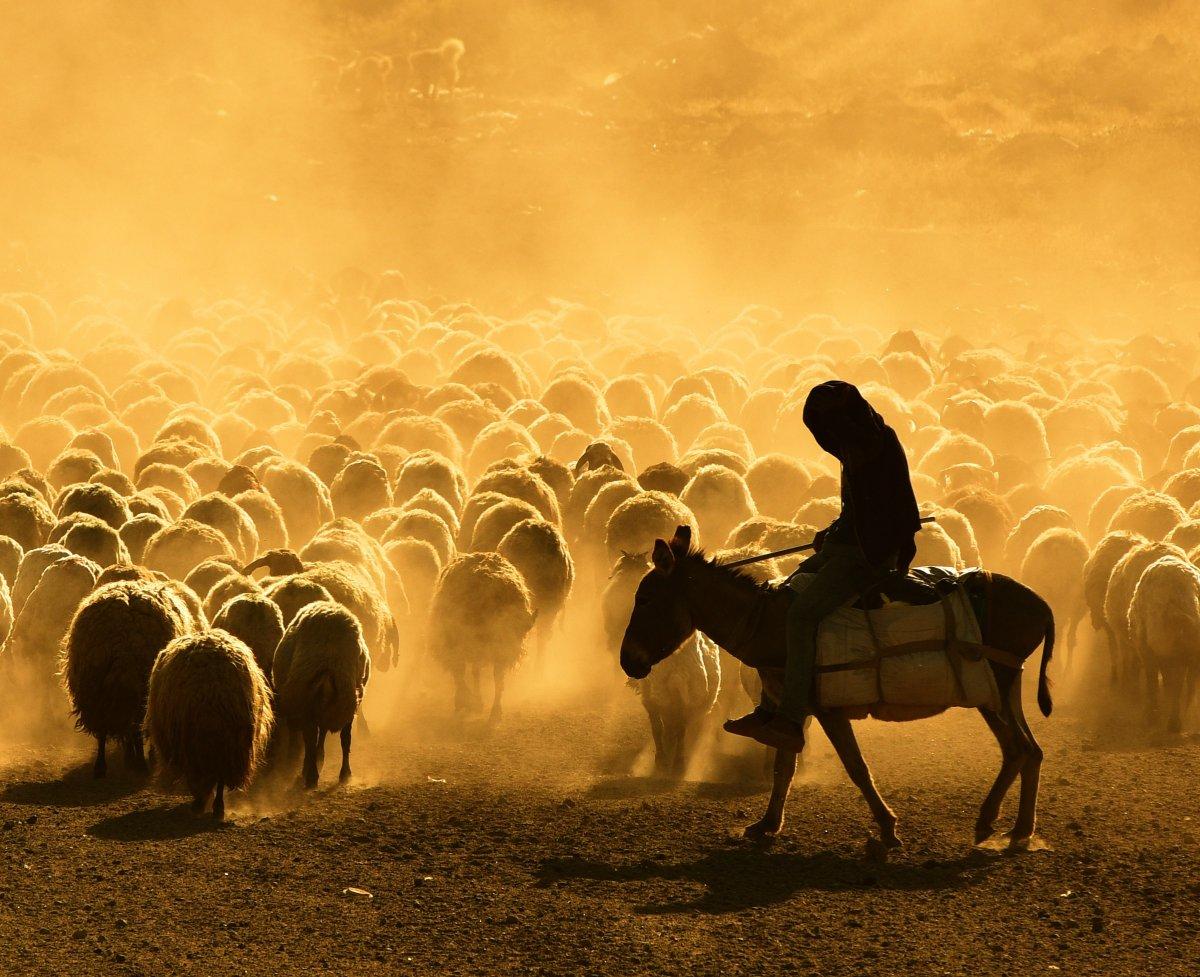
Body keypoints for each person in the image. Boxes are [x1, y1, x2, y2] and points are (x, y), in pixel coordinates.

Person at [724, 380, 922, 752]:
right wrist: (831, 533)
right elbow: (857, 512)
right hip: (850, 547)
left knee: (801, 616)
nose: (827, 436)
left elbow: (885, 516)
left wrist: (849, 542)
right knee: (781, 599)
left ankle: (790, 718)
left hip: (870, 557)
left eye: (828, 427)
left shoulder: (875, 448)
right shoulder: (861, 446)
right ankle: (768, 707)